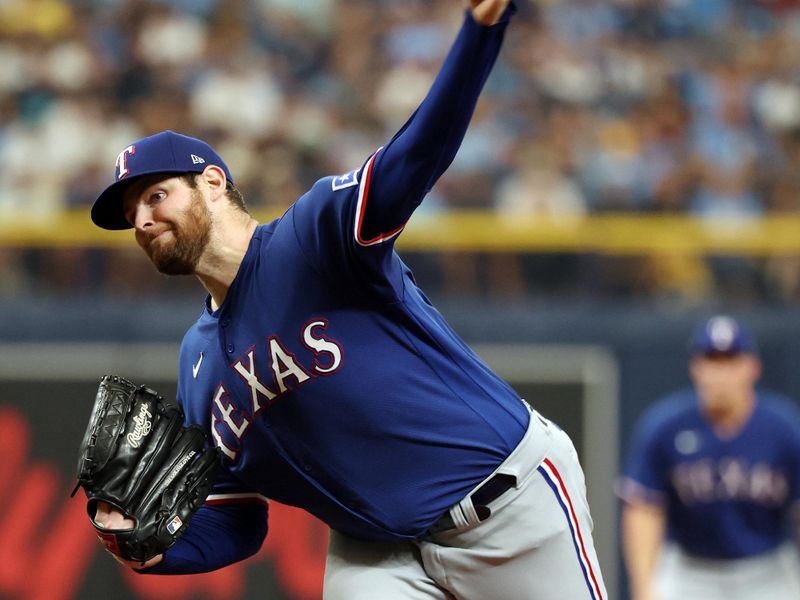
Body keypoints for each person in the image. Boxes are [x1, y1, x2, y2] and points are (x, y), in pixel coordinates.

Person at [87, 2, 607, 598]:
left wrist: (480, 33)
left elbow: (416, 155)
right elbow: (237, 520)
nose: (143, 221)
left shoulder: (312, 236)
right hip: (376, 554)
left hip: (503, 505)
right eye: (132, 216)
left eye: (155, 196)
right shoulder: (196, 366)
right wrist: (144, 545)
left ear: (211, 182)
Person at [618, 315, 800, 600]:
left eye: (731, 360)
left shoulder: (784, 428)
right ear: (696, 368)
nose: (721, 372)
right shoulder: (665, 425)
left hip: (767, 571)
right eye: (712, 360)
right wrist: (643, 588)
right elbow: (644, 509)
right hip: (690, 570)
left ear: (753, 367)